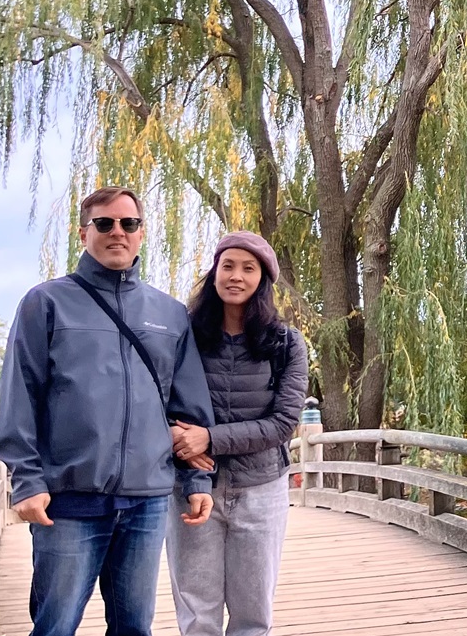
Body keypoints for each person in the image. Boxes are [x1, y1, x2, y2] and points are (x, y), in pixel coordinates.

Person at [0, 186, 216, 636]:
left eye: (128, 223)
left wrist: (196, 478)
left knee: (134, 626)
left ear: (141, 233)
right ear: (84, 232)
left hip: (146, 501)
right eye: (105, 223)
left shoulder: (169, 314)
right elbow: (20, 396)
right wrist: (27, 481)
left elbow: (185, 409)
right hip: (69, 499)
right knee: (55, 625)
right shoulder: (46, 303)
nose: (118, 232)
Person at [166, 231, 309, 636]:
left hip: (260, 488)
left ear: (262, 280)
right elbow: (157, 399)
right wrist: (177, 438)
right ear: (214, 274)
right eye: (227, 265)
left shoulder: (285, 344)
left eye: (249, 268)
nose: (236, 276)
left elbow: (284, 424)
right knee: (197, 612)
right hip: (192, 487)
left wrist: (207, 439)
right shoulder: (185, 337)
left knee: (252, 614)